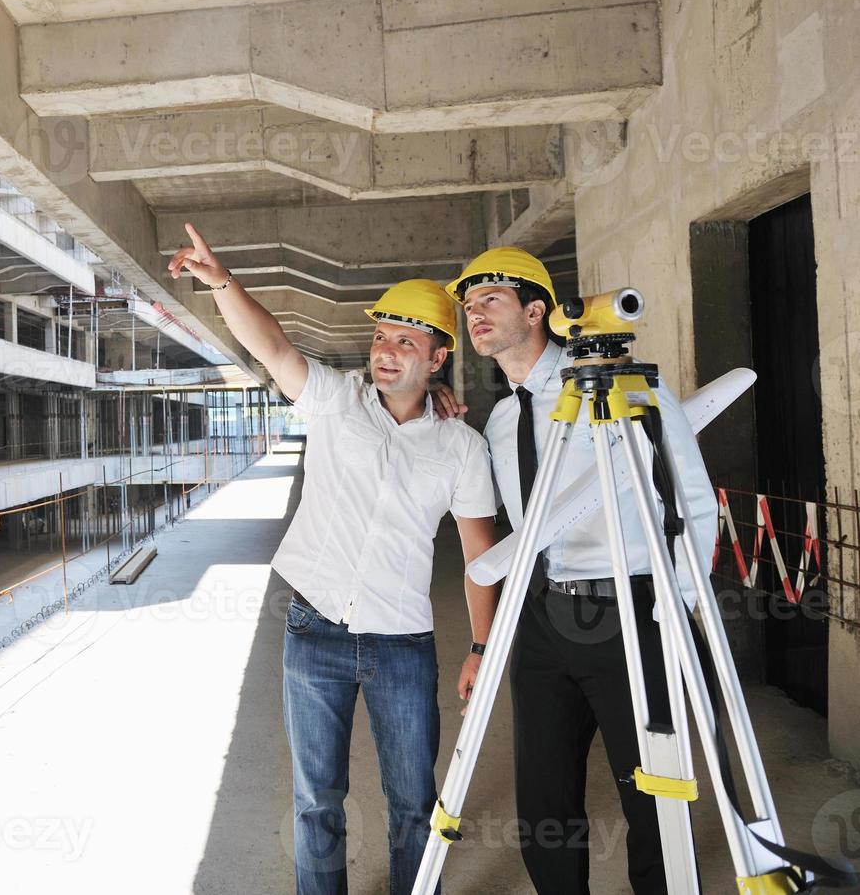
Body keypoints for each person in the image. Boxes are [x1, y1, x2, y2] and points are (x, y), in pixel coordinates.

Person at [168, 224, 499, 895]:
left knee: (414, 804)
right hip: (313, 631)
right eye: (382, 336)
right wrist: (221, 283)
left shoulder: (461, 447)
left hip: (402, 643)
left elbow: (478, 554)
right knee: (317, 799)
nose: (387, 350)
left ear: (438, 360)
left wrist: (482, 646)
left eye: (407, 341)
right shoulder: (334, 402)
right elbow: (273, 346)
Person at [445, 247, 719, 895]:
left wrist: (675, 610)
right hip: (542, 617)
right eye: (467, 304)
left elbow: (694, 500)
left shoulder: (625, 389)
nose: (474, 314)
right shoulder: (502, 418)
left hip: (631, 609)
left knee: (654, 796)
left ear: (536, 309)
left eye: (490, 300)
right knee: (543, 801)